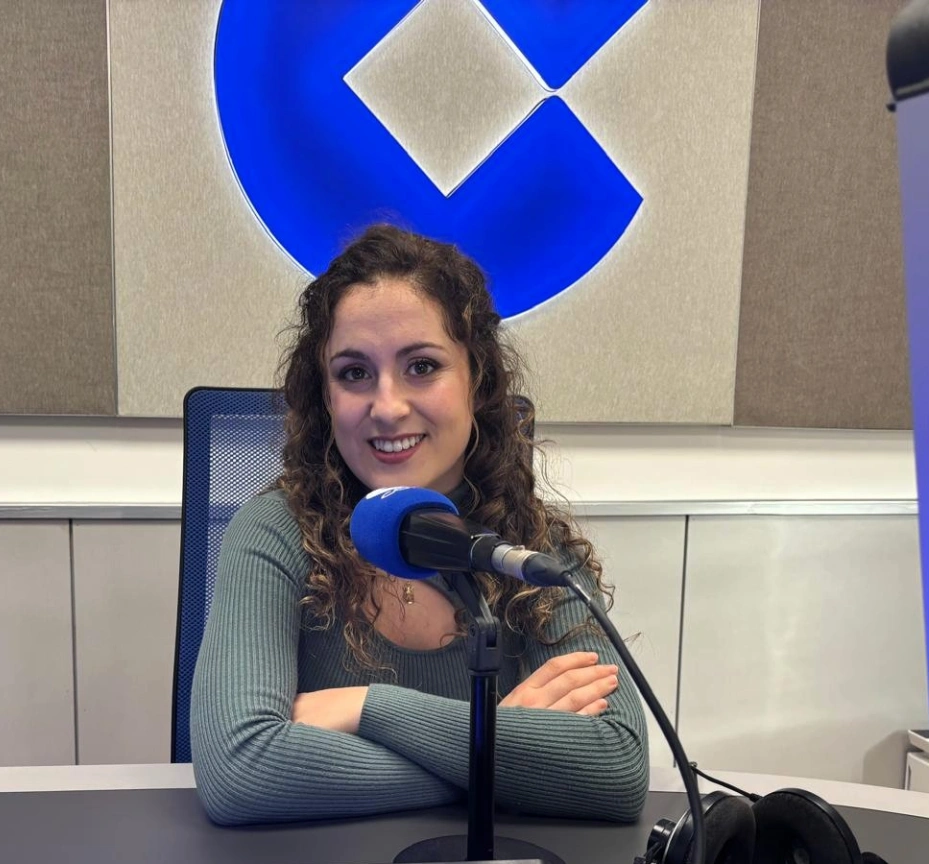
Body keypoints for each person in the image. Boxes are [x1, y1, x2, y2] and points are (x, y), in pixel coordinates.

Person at [189, 225, 649, 826]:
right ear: (325, 396)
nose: (387, 407)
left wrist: (365, 706)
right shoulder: (276, 530)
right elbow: (241, 770)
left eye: (422, 366)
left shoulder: (530, 548)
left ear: (476, 381)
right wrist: (500, 749)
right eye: (354, 373)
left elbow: (616, 767)